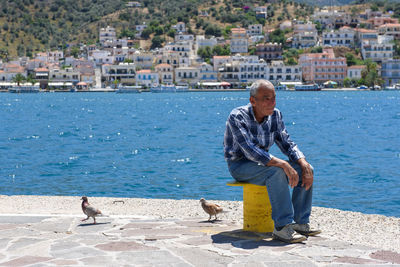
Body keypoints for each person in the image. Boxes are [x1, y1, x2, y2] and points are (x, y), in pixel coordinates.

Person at [224, 80, 321, 243]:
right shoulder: (237, 116)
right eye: (266, 98)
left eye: (274, 98)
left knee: (307, 168)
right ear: (252, 101)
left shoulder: (275, 115)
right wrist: (283, 164)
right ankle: (282, 227)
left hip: (263, 164)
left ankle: (300, 223)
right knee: (276, 172)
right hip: (239, 165)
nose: (272, 102)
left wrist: (303, 163)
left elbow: (287, 143)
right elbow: (250, 150)